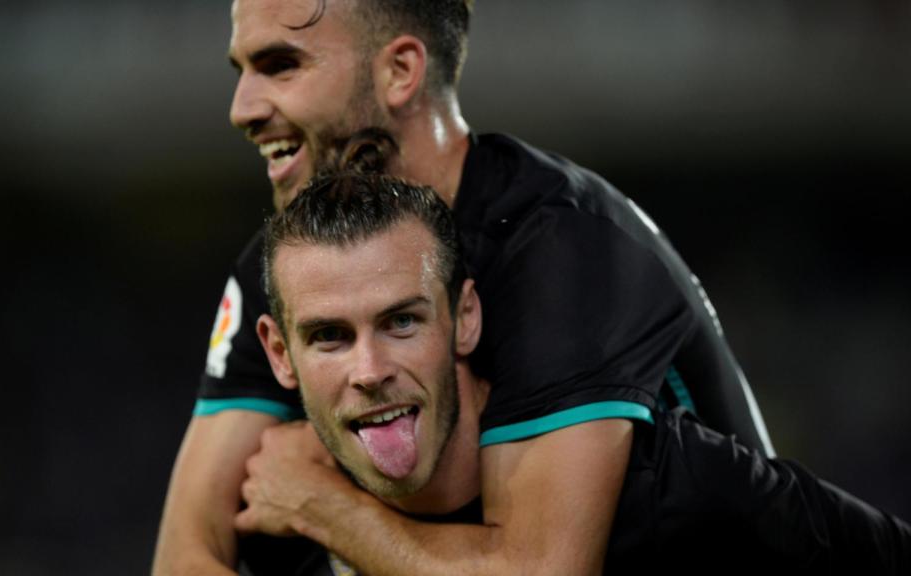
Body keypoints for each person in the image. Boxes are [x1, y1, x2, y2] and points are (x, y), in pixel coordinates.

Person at [153, 0, 773, 573]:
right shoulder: (295, 264)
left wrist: (323, 503)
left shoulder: (562, 247)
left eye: (280, 65)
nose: (242, 108)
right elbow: (186, 552)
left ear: (400, 71)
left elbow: (540, 569)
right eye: (243, 69)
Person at [240, 165, 910, 575]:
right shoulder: (282, 538)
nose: (370, 369)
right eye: (329, 337)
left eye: (402, 322)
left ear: (466, 317)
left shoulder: (670, 489)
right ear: (279, 354)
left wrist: (328, 512)